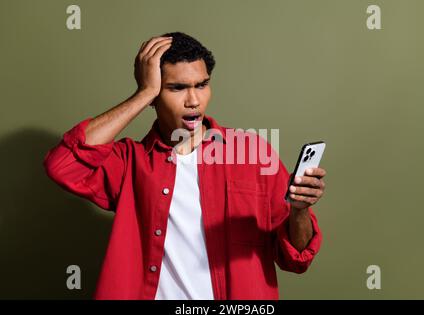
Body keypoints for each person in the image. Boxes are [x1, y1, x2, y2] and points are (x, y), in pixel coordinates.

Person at [43, 32, 327, 300]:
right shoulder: (129, 162)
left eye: (201, 85)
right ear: (155, 95)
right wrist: (142, 94)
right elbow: (63, 165)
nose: (193, 100)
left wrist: (299, 211)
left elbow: (296, 258)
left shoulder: (252, 154)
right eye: (176, 88)